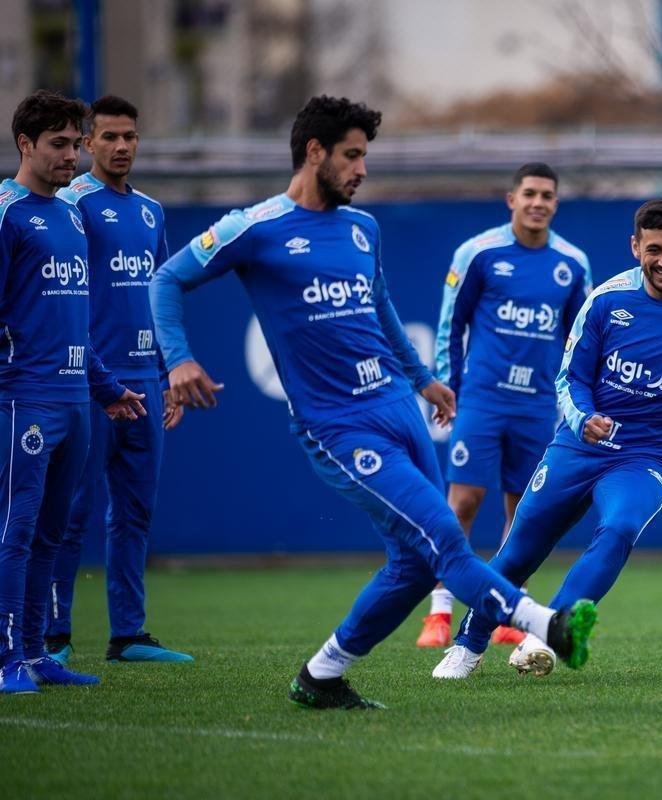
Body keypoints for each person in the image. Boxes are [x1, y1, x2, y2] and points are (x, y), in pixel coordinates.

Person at [149, 95, 597, 709]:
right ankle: (549, 626)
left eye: (365, 156)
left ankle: (322, 676)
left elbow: (381, 306)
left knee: (415, 565)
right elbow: (167, 278)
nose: (362, 169)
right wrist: (178, 359)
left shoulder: (363, 229)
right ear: (315, 152)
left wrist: (421, 379)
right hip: (337, 425)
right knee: (444, 534)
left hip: (399, 408)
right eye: (353, 156)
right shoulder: (253, 228)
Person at [433, 197, 662, 680]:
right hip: (578, 446)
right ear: (635, 246)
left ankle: (548, 632)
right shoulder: (606, 300)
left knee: (619, 528)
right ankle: (467, 645)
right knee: (519, 550)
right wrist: (584, 416)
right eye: (654, 249)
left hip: (646, 457)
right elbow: (570, 378)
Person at [0, 91, 147, 694]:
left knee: (55, 535)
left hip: (74, 402)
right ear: (24, 145)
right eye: (58, 144)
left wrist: (107, 387)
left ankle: (36, 653)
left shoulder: (70, 216)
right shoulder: (7, 213)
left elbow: (77, 321)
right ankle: (7, 657)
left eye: (72, 143)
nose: (70, 155)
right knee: (16, 529)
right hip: (23, 401)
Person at [419, 162, 592, 649]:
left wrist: (575, 402)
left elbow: (581, 339)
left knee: (524, 511)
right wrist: (447, 386)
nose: (538, 203)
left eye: (548, 196)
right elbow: (451, 322)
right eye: (530, 193)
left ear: (556, 204)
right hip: (482, 399)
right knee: (465, 503)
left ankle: (511, 611)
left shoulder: (572, 264)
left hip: (538, 406)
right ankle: (439, 611)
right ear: (511, 198)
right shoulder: (479, 253)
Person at [45, 95, 191, 665]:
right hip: (88, 384)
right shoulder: (73, 205)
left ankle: (127, 634)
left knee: (134, 511)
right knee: (70, 511)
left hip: (146, 383)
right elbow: (63, 295)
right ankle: (53, 635)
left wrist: (167, 373)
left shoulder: (152, 211)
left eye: (130, 136)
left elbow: (158, 295)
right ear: (87, 144)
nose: (122, 146)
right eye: (109, 137)